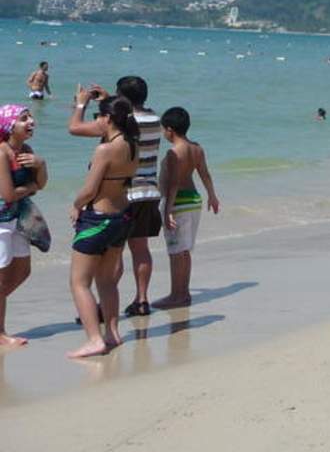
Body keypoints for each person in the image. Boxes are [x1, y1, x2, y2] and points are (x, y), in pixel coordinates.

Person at [69, 75, 163, 317]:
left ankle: (104, 306)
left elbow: (75, 128)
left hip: (124, 193)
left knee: (114, 253)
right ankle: (142, 299)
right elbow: (124, 114)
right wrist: (110, 100)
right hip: (149, 190)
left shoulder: (124, 125)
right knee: (141, 249)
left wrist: (81, 104)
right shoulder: (155, 119)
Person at [67, 95, 140, 359]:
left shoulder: (105, 150)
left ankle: (94, 339)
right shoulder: (132, 144)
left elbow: (90, 190)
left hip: (98, 219)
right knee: (107, 281)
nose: (96, 121)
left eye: (99, 116)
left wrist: (76, 204)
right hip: (122, 217)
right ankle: (112, 333)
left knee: (79, 283)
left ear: (107, 118)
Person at [153, 107, 220, 310]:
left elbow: (173, 183)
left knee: (175, 252)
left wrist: (167, 211)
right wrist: (212, 196)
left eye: (163, 129)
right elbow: (204, 173)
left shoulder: (174, 152)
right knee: (184, 251)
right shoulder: (196, 148)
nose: (163, 133)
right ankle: (184, 293)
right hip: (193, 200)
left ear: (170, 130)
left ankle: (176, 295)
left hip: (178, 203)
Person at [1, 105, 47, 347]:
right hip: (1, 222)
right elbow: (8, 195)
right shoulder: (1, 153)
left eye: (30, 117)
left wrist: (41, 164)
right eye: (23, 118)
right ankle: (0, 333)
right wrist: (31, 188)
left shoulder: (26, 150)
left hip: (18, 219)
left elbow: (42, 184)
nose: (31, 121)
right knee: (0, 279)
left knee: (22, 270)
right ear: (9, 126)